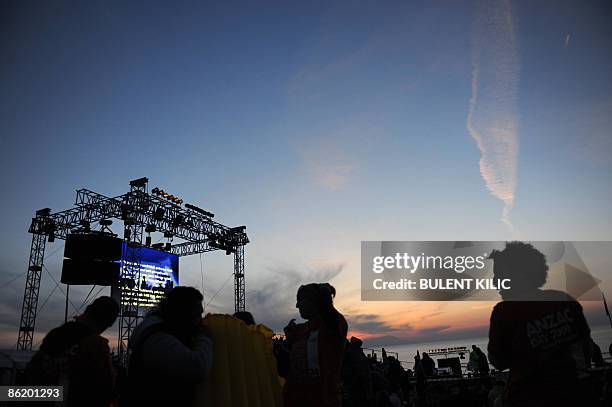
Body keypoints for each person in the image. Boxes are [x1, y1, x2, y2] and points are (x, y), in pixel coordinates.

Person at [487, 242, 593, 407]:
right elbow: (587, 349)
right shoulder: (564, 300)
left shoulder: (504, 311)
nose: (495, 282)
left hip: (528, 397)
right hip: (578, 392)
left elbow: (498, 362)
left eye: (499, 275)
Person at [124, 286, 212, 407]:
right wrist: (204, 337)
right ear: (183, 313)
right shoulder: (158, 340)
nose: (200, 321)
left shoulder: (160, 331)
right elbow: (197, 367)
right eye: (197, 315)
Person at [25, 296, 119, 407]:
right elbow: (105, 389)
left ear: (88, 310)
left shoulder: (56, 334)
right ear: (107, 323)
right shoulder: (96, 345)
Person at [283, 283, 348, 407]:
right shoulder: (301, 330)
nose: (297, 305)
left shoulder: (333, 325)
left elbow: (331, 318)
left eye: (300, 300)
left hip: (324, 401)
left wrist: (325, 296)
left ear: (314, 301)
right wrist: (290, 341)